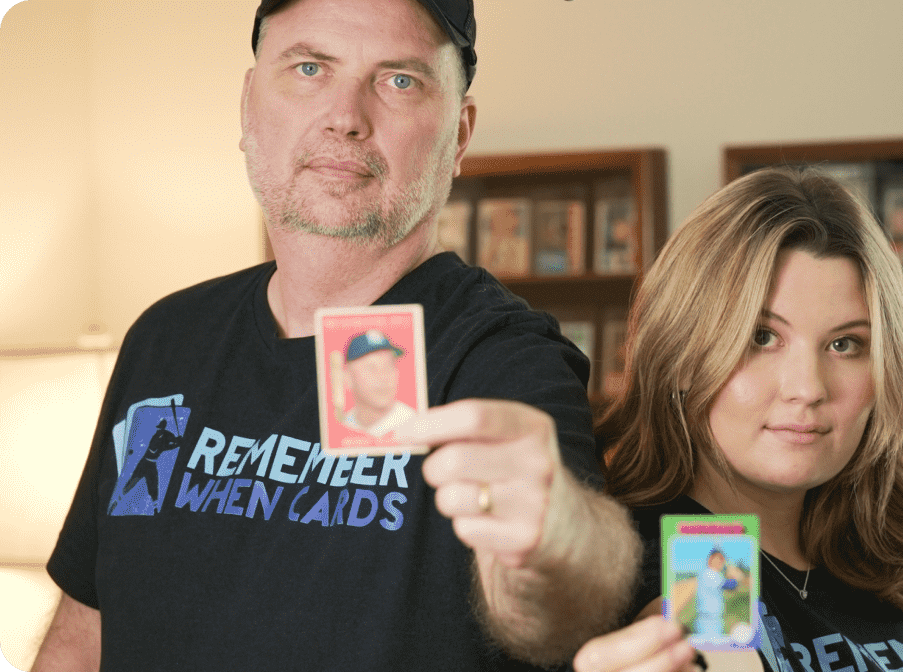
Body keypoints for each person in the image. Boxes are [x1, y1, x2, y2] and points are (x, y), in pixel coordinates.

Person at [32, 0, 641, 669]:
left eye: (399, 80)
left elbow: (566, 591)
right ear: (248, 105)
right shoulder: (165, 337)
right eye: (310, 67)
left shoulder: (500, 362)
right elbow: (85, 625)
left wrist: (556, 537)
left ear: (459, 135)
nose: (346, 116)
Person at [572, 167, 903, 672]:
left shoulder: (881, 553)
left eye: (844, 344)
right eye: (761, 338)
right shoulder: (701, 551)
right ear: (681, 358)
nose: (807, 389)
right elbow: (715, 652)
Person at [339, 330, 416, 436]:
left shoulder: (412, 423)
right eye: (371, 368)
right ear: (348, 378)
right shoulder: (344, 426)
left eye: (388, 367)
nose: (383, 377)